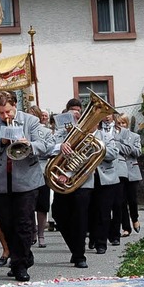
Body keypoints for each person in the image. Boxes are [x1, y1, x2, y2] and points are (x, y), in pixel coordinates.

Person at [0, 90, 54, 282]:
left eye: (9, 112)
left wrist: (28, 144)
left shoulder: (30, 121)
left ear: (15, 107)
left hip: (26, 180)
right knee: (6, 224)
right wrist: (2, 141)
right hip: (0, 181)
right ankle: (22, 256)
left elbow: (44, 145)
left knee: (24, 224)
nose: (6, 116)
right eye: (1, 113)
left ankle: (19, 264)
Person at [50, 98, 93, 268]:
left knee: (80, 217)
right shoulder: (60, 130)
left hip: (82, 180)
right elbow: (50, 147)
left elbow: (89, 154)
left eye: (78, 110)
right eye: (72, 110)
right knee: (58, 214)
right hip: (60, 180)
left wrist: (68, 173)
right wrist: (61, 145)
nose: (75, 113)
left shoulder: (87, 129)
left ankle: (80, 255)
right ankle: (75, 248)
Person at [87, 114, 119, 254]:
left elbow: (113, 153)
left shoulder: (105, 136)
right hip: (85, 178)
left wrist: (98, 148)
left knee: (103, 212)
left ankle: (101, 243)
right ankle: (93, 237)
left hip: (104, 178)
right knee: (89, 211)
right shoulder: (79, 137)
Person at [25, 105, 54, 248]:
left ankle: (41, 233)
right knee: (28, 205)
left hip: (43, 169)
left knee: (42, 205)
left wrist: (35, 148)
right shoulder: (23, 130)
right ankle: (33, 232)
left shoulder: (46, 131)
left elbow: (50, 148)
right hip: (27, 170)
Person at [113, 113, 142, 239]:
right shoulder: (113, 136)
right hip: (120, 172)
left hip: (132, 171)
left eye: (123, 123)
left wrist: (124, 143)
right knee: (121, 200)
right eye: (119, 123)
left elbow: (137, 151)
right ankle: (126, 227)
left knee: (133, 199)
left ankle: (135, 218)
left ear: (127, 124)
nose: (121, 126)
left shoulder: (134, 136)